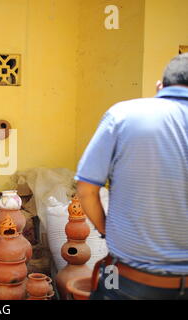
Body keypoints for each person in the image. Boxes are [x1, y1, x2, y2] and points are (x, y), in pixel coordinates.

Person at [75, 53, 188, 300]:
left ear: (160, 85)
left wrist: (107, 232)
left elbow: (85, 188)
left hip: (127, 282)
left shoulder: (124, 115)